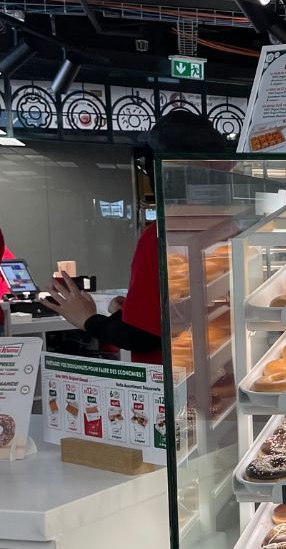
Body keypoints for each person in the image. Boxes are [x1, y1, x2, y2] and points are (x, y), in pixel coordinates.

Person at [40, 112, 232, 364]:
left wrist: (85, 318)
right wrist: (130, 311)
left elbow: (142, 337)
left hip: (174, 379)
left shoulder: (162, 235)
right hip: (221, 364)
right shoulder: (229, 225)